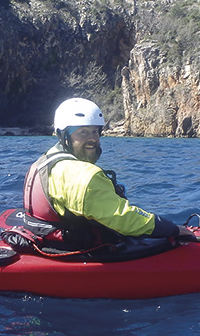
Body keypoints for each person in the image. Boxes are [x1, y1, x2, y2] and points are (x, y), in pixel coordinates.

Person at [21, 97, 188, 252]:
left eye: (95, 131)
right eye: (83, 132)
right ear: (63, 136)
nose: (93, 139)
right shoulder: (84, 175)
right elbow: (123, 219)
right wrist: (172, 229)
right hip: (78, 250)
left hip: (47, 239)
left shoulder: (44, 161)